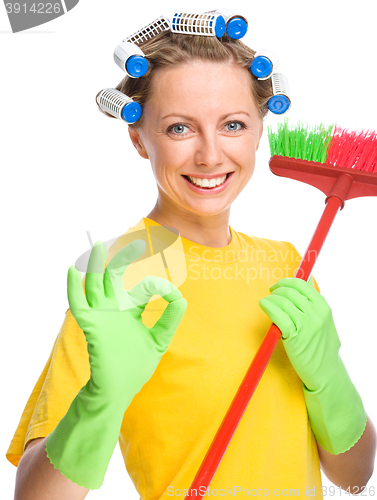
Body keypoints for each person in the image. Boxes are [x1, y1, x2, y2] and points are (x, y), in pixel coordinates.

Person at [6, 12, 376, 500]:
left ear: (259, 131)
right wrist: (100, 401)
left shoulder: (287, 265)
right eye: (180, 128)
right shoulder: (123, 273)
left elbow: (354, 478)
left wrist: (328, 376)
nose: (209, 155)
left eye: (233, 125)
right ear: (138, 138)